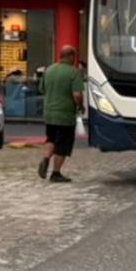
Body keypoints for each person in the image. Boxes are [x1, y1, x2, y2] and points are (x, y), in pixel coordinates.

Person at [36, 46, 85, 183]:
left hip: (49, 114)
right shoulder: (73, 73)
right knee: (63, 144)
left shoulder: (49, 70)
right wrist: (80, 106)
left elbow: (42, 89)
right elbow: (77, 95)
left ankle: (46, 159)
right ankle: (56, 173)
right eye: (74, 57)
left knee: (51, 139)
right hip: (65, 115)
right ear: (71, 56)